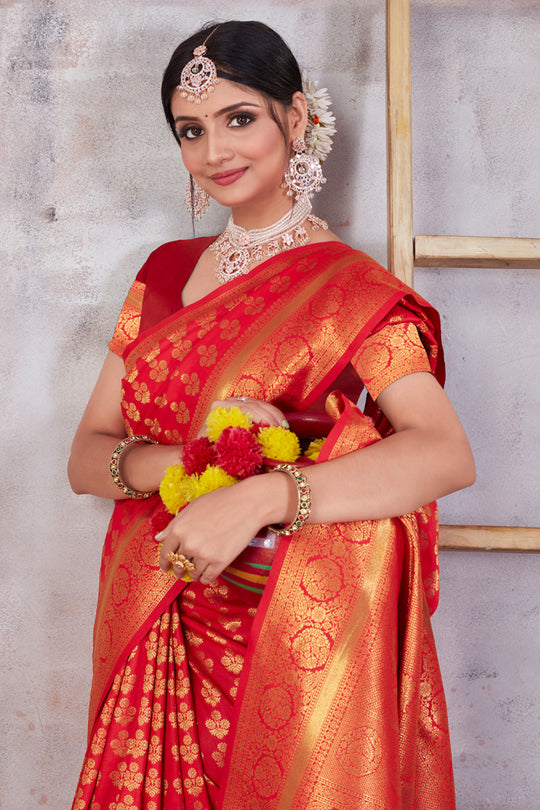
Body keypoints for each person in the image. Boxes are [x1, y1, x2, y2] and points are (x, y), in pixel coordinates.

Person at [68, 20, 475, 810]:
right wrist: (197, 463)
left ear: (296, 118)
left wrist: (260, 494)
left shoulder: (350, 291)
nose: (214, 150)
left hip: (285, 634)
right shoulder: (162, 275)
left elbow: (442, 453)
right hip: (160, 618)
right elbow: (88, 456)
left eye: (239, 118)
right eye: (191, 130)